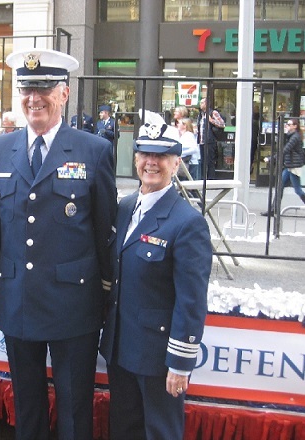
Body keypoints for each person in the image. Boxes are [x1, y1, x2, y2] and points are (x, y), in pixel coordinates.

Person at [0, 48, 117, 440]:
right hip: (17, 298)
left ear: (65, 94)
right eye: (26, 88)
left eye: (44, 88)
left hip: (74, 302)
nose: (34, 97)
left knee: (75, 406)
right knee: (28, 404)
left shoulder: (94, 150)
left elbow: (105, 229)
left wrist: (106, 294)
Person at [100, 109, 212, 440]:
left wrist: (179, 363)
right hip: (121, 349)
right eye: (145, 153)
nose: (152, 162)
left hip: (157, 357)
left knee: (160, 432)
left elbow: (191, 301)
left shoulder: (187, 222)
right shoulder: (125, 206)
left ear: (176, 163)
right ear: (135, 158)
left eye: (162, 156)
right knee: (124, 429)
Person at [262, 118, 305, 218]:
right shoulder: (291, 136)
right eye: (287, 124)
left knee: (298, 190)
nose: (287, 125)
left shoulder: (295, 137)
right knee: (279, 187)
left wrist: (271, 158)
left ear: (295, 126)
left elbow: (285, 150)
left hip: (293, 167)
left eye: (289, 124)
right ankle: (274, 210)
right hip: (289, 166)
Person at [196, 97, 225, 179]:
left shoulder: (213, 113)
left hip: (210, 140)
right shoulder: (201, 114)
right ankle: (203, 177)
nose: (200, 105)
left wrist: (212, 121)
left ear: (207, 104)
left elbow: (222, 124)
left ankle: (210, 178)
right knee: (203, 160)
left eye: (202, 103)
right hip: (202, 141)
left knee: (210, 161)